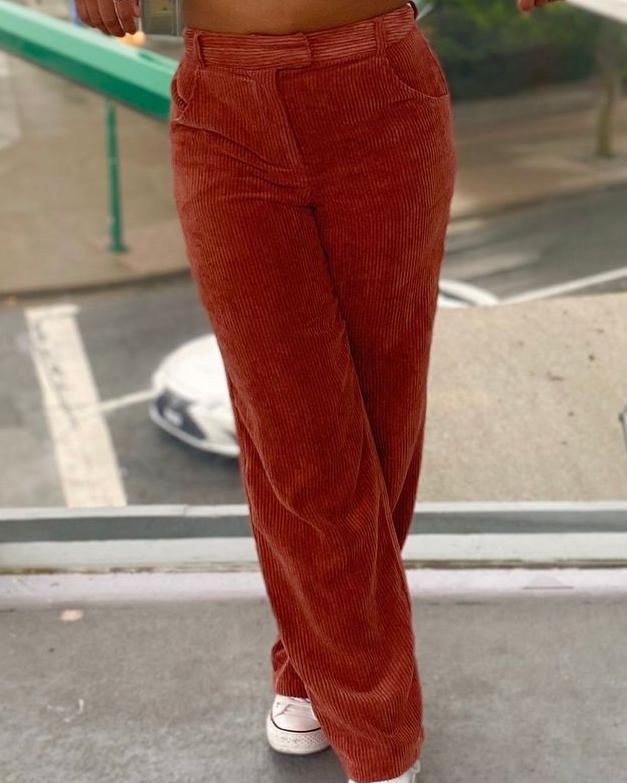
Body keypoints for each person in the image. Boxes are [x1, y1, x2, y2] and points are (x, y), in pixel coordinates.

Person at [78, 0, 564, 781]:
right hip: (224, 109)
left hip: (382, 88)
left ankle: (307, 666)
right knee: (296, 436)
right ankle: (380, 735)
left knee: (382, 420)